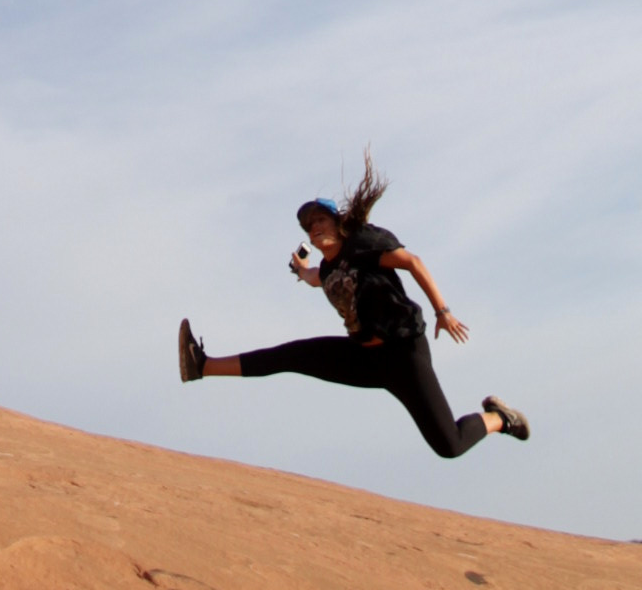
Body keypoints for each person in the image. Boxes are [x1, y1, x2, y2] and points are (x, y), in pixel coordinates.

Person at [176, 155, 530, 460]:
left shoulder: (363, 245)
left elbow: (413, 262)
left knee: (449, 445)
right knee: (288, 356)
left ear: (337, 223)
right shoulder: (328, 269)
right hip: (363, 358)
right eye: (309, 225)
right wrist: (300, 270)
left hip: (404, 354)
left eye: (321, 220)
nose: (314, 228)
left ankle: (500, 418)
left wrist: (443, 311)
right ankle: (202, 366)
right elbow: (318, 277)